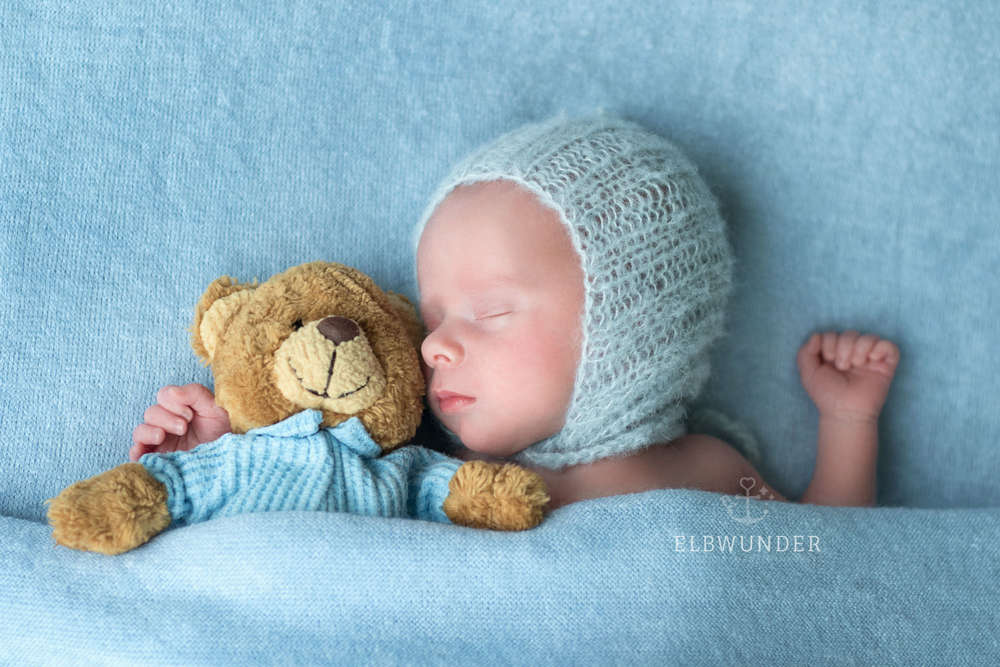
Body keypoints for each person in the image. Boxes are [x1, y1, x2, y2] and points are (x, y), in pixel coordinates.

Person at [131, 113, 900, 510]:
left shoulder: (709, 473)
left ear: (630, 331)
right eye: (433, 320)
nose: (435, 348)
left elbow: (824, 561)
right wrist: (215, 455)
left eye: (491, 311)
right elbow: (312, 527)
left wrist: (847, 423)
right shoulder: (442, 478)